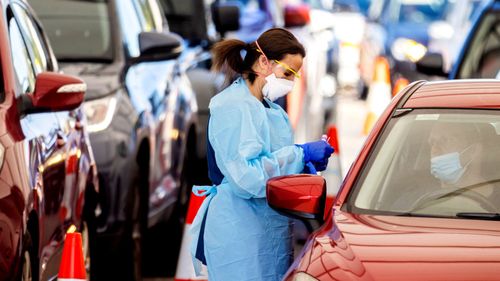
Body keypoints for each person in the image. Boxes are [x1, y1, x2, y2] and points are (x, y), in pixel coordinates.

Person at [189, 28, 334, 281]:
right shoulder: (233, 106)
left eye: (295, 75)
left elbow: (271, 163)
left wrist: (301, 170)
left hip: (266, 233)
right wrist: (299, 154)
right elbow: (246, 177)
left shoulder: (270, 110)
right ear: (263, 62)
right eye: (287, 72)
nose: (290, 81)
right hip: (239, 234)